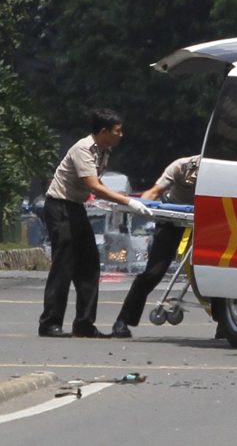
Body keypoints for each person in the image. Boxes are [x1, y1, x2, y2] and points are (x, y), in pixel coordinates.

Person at [38, 109, 153, 338]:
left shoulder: (103, 150)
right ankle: (50, 323)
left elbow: (96, 184)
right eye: (117, 131)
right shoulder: (83, 149)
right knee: (64, 265)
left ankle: (84, 324)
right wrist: (127, 200)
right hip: (60, 207)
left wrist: (116, 202)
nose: (121, 135)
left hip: (75, 207)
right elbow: (93, 185)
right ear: (103, 131)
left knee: (90, 265)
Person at [111, 155, 200, 339]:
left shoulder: (217, 170)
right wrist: (139, 207)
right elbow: (154, 192)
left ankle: (225, 325)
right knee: (153, 272)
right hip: (173, 218)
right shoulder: (179, 166)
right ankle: (123, 320)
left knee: (213, 270)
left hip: (204, 221)